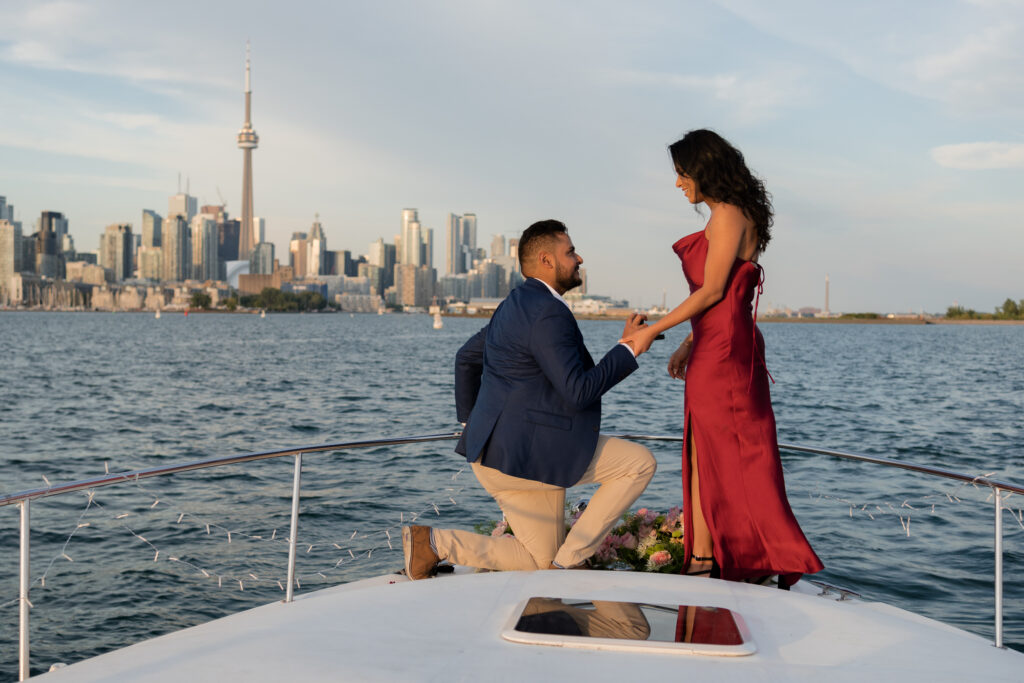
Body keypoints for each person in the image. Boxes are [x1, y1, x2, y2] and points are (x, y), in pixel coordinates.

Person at [622, 129, 823, 587]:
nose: (678, 184)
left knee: (732, 454)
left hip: (727, 353)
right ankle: (702, 555)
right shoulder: (728, 214)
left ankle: (728, 555)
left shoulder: (730, 214)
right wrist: (689, 344)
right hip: (716, 345)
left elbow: (714, 291)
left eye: (681, 173)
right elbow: (721, 296)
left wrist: (653, 330)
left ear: (703, 169)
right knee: (702, 448)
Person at [402, 219, 657, 579]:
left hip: (497, 456)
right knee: (638, 463)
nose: (579, 258)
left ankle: (434, 544)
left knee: (537, 562)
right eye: (570, 252)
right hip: (533, 456)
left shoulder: (515, 304)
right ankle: (569, 562)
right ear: (546, 260)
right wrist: (628, 349)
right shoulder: (548, 312)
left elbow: (466, 358)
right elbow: (578, 390)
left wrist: (471, 423)